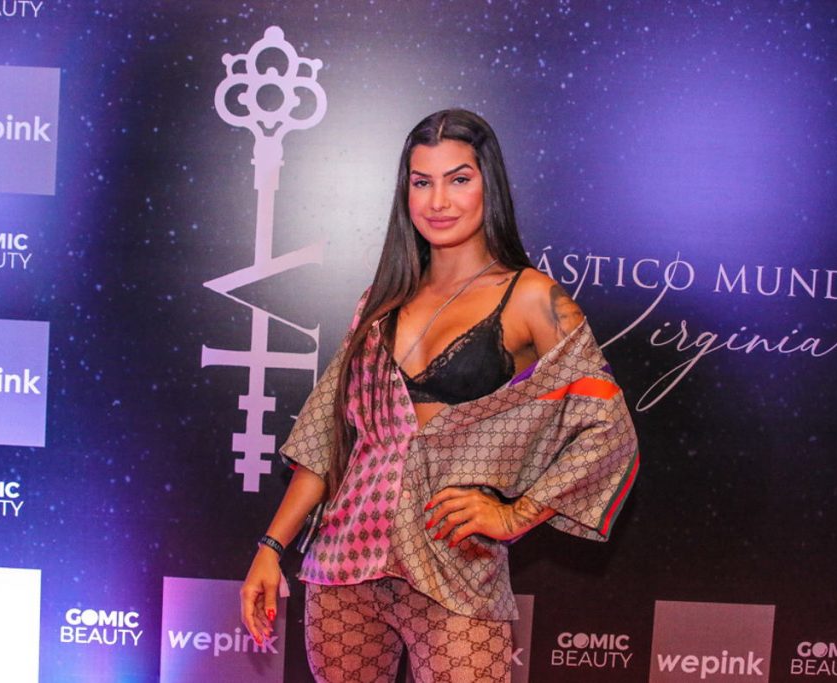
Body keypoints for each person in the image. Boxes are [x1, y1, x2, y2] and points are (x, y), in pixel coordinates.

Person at [241, 109, 639, 682]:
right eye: (422, 182)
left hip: (454, 569)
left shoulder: (531, 297)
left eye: (459, 179)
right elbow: (327, 437)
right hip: (344, 565)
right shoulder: (380, 300)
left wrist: (516, 515)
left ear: (488, 185)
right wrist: (270, 547)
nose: (438, 201)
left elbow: (607, 427)